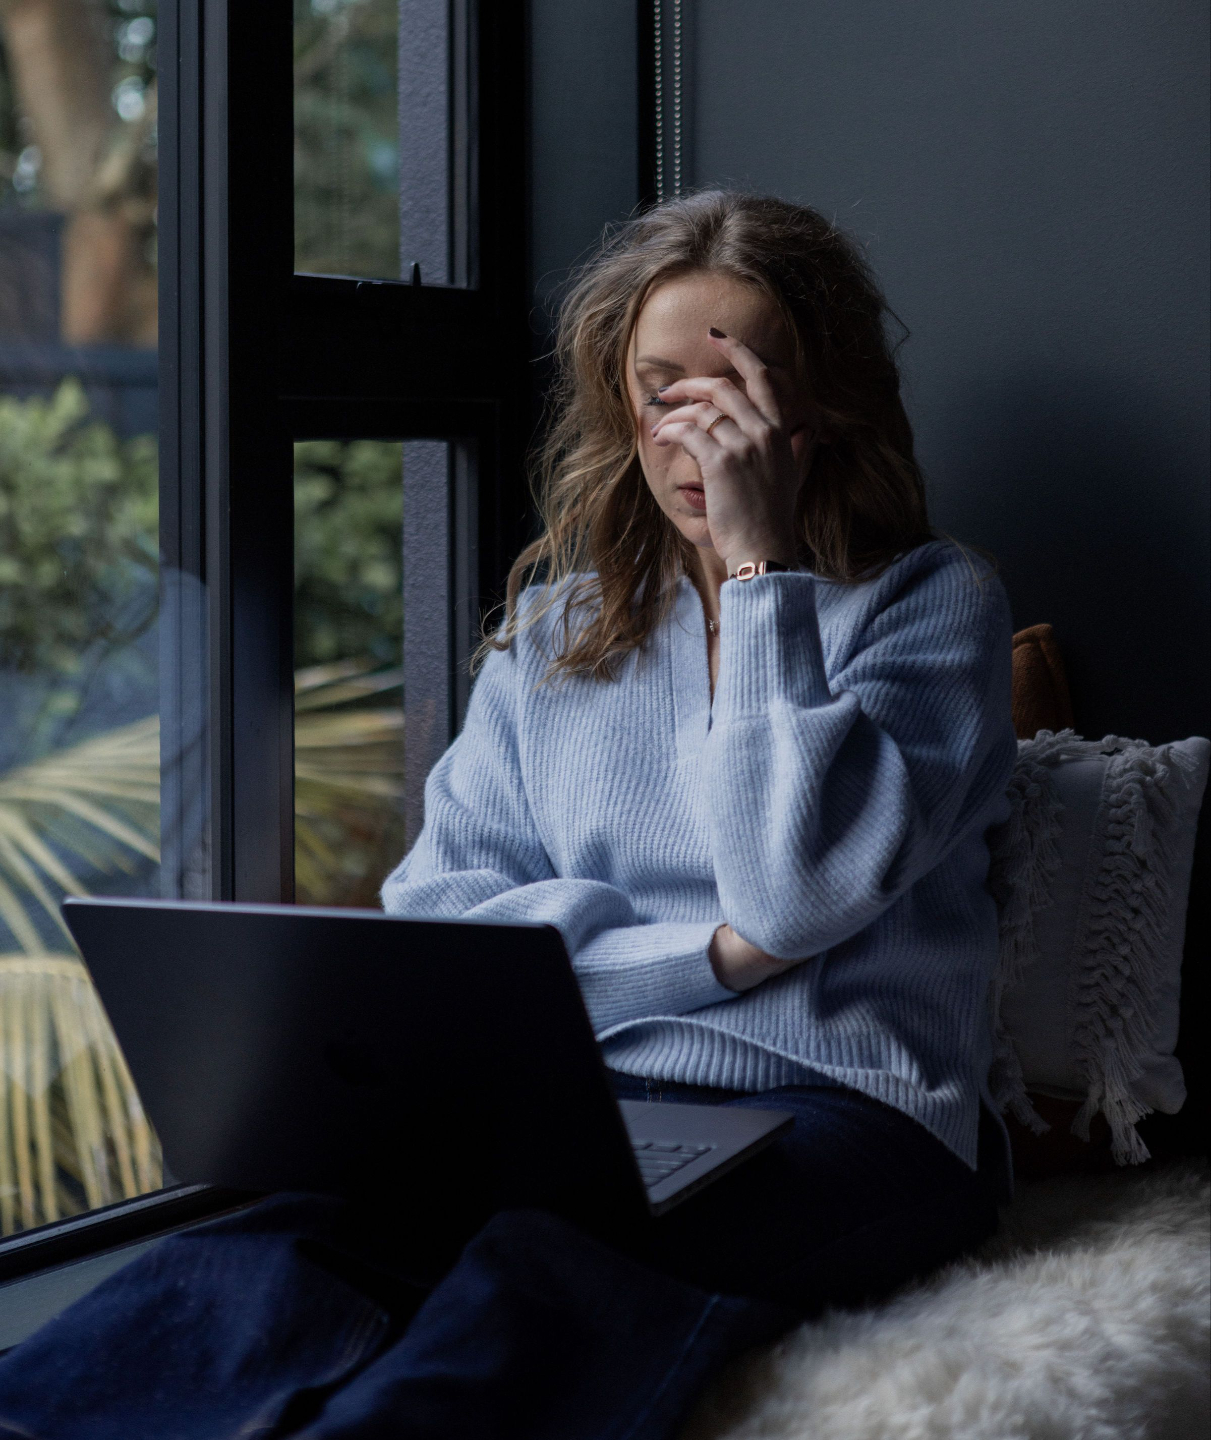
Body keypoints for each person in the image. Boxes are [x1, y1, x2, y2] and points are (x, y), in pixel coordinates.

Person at [0, 191, 1017, 1439]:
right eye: (662, 391)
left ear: (818, 405)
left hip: (852, 1110)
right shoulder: (557, 629)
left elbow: (793, 893)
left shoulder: (929, 606)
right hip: (581, 1100)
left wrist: (760, 572)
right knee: (286, 1240)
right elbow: (444, 916)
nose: (696, 433)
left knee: (545, 1275)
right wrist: (710, 958)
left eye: (737, 390)